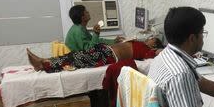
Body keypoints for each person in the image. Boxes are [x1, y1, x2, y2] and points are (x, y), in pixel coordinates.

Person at [26, 38, 164, 73]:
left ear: (154, 44)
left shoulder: (148, 51)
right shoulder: (139, 42)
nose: (150, 37)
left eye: (153, 38)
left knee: (77, 59)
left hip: (108, 56)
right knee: (74, 55)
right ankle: (45, 61)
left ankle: (44, 64)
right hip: (103, 49)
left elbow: (160, 53)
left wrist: (160, 50)